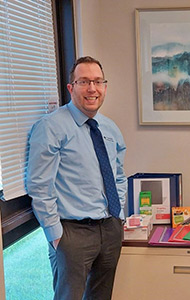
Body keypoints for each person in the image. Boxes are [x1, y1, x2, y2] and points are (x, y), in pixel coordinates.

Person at [26, 56, 127, 300]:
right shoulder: (51, 127)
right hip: (72, 233)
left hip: (109, 228)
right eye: (84, 81)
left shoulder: (110, 128)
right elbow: (39, 186)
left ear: (104, 87)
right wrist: (56, 235)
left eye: (97, 81)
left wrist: (119, 216)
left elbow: (119, 176)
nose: (92, 88)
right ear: (71, 88)